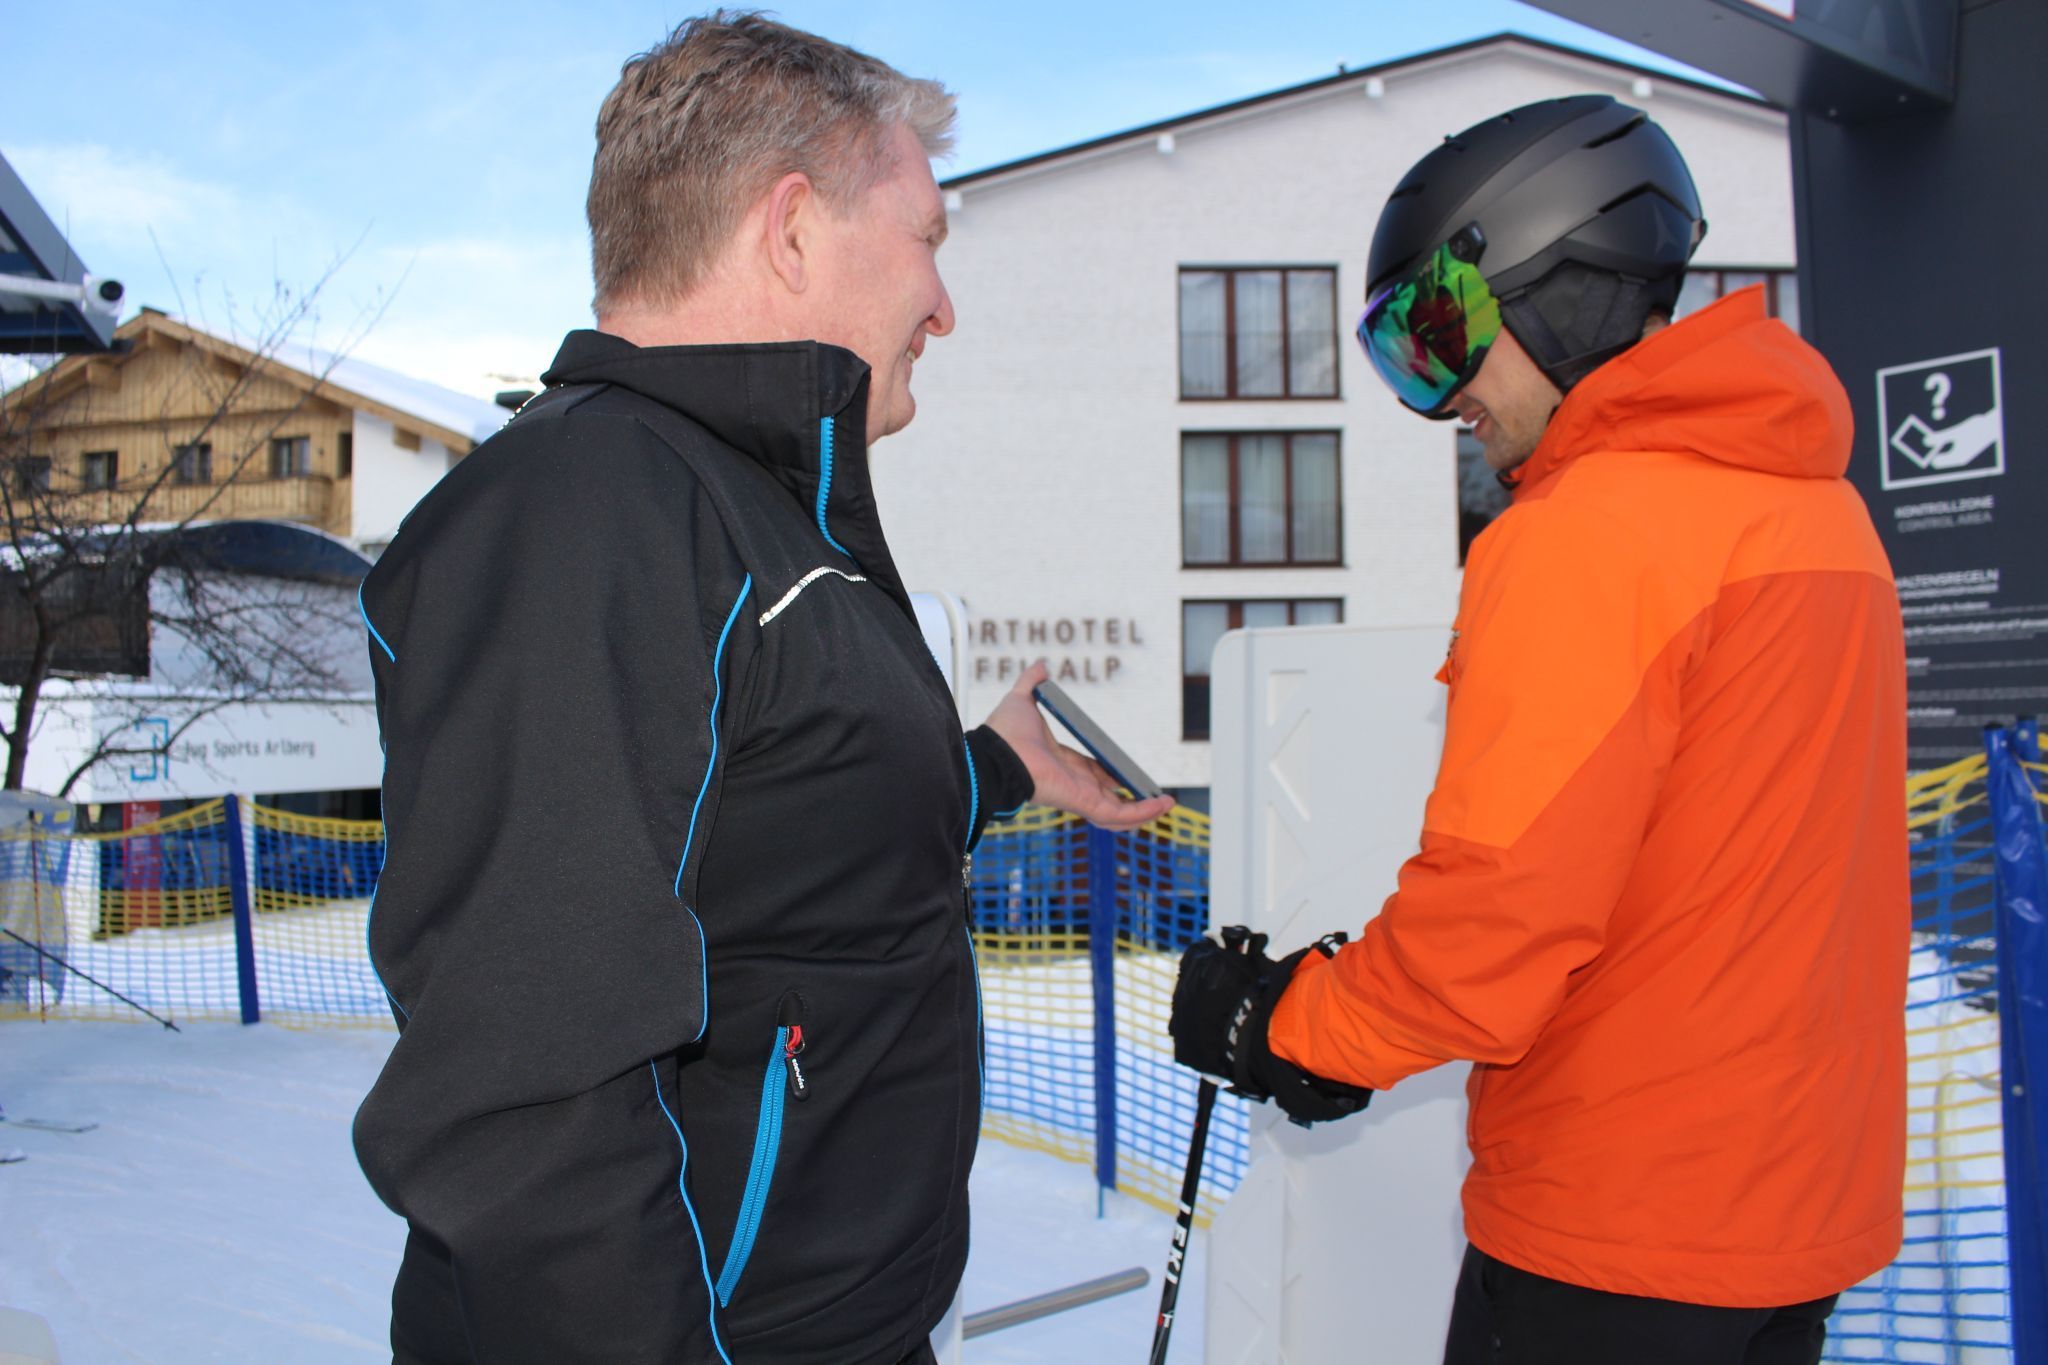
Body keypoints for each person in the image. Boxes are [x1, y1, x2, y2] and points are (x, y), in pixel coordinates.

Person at [351, 14, 1170, 1364]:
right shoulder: (592, 510)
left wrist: (1002, 763)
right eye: (927, 237)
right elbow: (529, 1094)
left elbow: (779, 834)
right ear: (792, 232)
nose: (944, 303)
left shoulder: (746, 517)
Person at [1171, 94, 1907, 1364]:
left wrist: (1283, 1027)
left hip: (1619, 1224)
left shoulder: (1588, 534)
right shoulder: (1812, 512)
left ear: (1557, 281)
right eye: (1404, 352)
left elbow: (1499, 919)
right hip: (1792, 1213)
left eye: (1436, 331)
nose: (1437, 393)